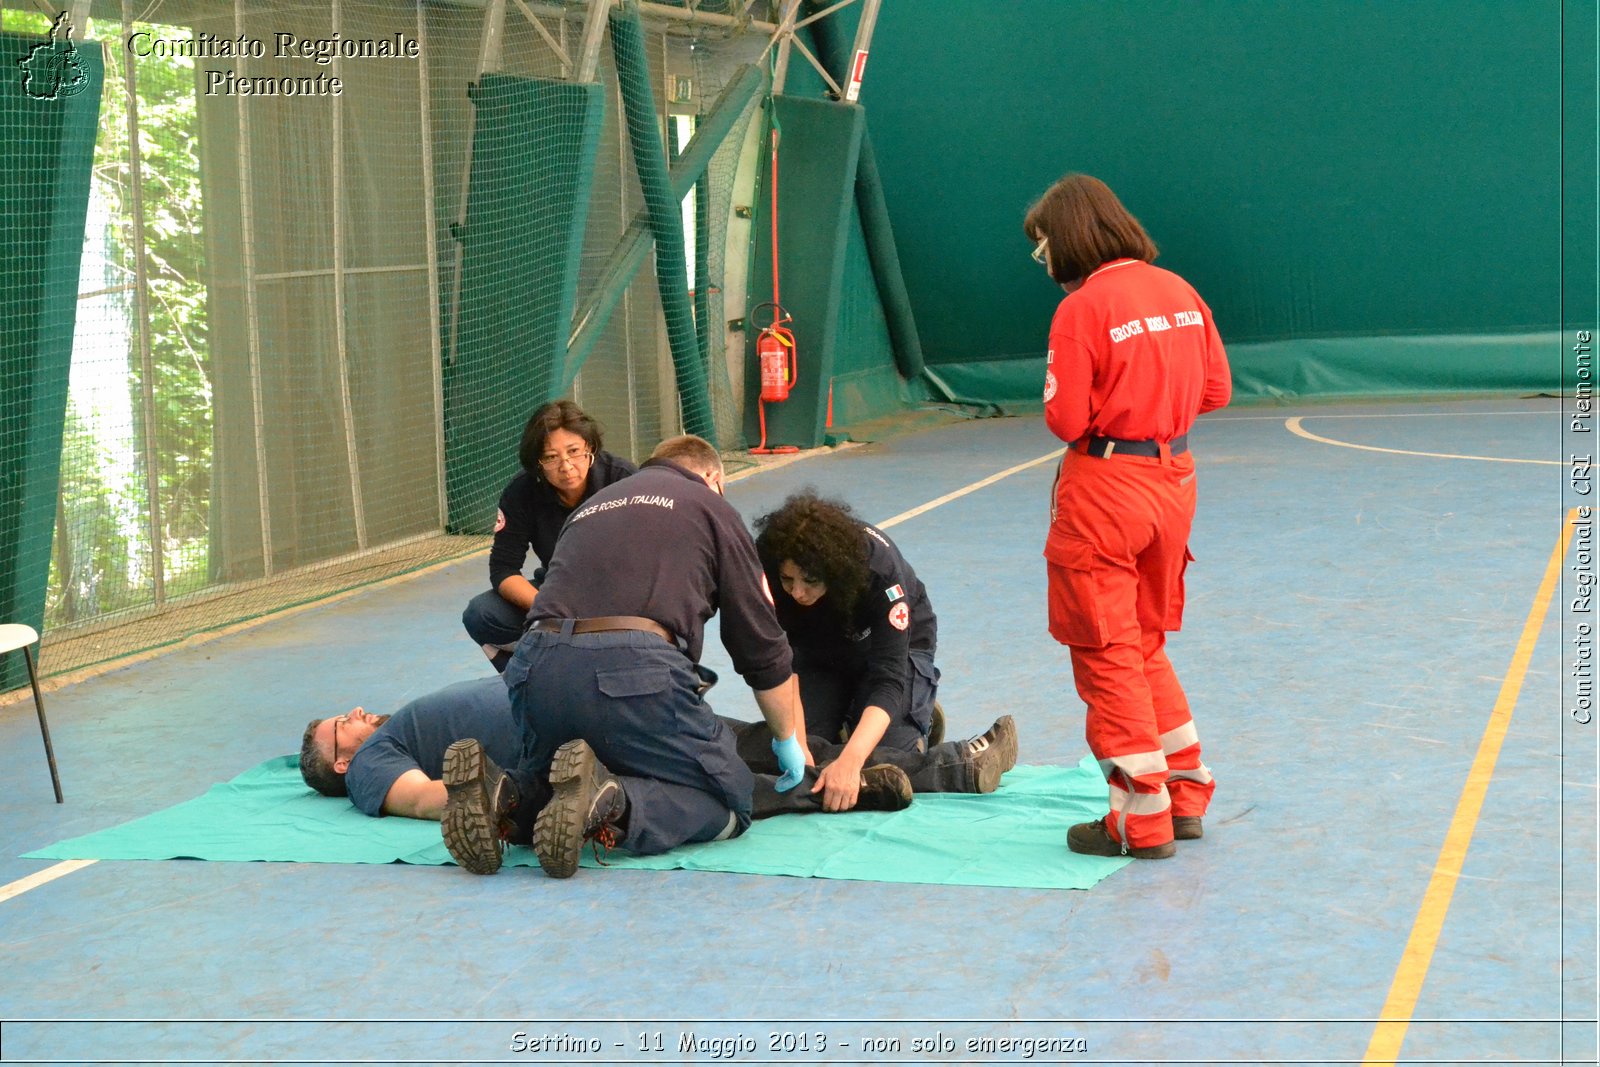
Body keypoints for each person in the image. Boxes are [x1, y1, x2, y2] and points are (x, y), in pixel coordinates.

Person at [440, 434, 821, 880]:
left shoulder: (590, 508)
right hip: (634, 671)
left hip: (535, 667)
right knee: (730, 798)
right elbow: (761, 646)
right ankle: (614, 800)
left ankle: (505, 791)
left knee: (549, 777)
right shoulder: (712, 506)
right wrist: (787, 740)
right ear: (714, 478)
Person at [1023, 173, 1232, 859]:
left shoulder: (1082, 309)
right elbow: (1217, 390)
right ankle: (1184, 790)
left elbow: (1066, 418)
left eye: (1043, 243)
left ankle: (1138, 819)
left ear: (1071, 238)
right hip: (1173, 481)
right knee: (1143, 640)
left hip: (1106, 490)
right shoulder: (1179, 291)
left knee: (1107, 647)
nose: (1040, 258)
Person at [296, 676, 913, 833]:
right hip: (570, 739)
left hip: (582, 696)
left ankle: (899, 761)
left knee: (750, 737)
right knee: (707, 773)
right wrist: (498, 798)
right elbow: (429, 799)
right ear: (342, 764)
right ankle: (838, 788)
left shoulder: (396, 725)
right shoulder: (374, 765)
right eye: (338, 729)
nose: (353, 715)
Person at [753, 491, 957, 811]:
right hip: (821, 649)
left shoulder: (880, 573)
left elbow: (888, 678)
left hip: (892, 649)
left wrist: (850, 760)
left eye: (810, 580)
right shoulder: (768, 562)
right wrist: (799, 745)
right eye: (788, 580)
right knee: (797, 752)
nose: (797, 592)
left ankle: (915, 713)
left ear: (835, 573)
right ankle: (849, 713)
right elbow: (780, 663)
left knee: (889, 760)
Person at [461, 400, 636, 672]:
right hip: (558, 591)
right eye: (551, 457)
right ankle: (530, 683)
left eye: (574, 451)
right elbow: (503, 569)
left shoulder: (623, 480)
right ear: (538, 463)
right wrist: (548, 608)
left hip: (619, 595)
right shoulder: (521, 491)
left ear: (590, 447)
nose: (566, 466)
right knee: (481, 614)